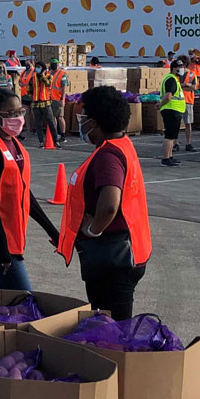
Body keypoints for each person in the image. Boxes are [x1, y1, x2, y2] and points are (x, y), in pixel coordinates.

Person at [56, 85, 151, 320]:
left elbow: (110, 204)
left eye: (84, 118)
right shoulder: (122, 145)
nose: (81, 123)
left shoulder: (108, 157)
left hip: (113, 256)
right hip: (128, 249)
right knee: (112, 322)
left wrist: (93, 229)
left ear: (95, 123)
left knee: (112, 326)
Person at [0, 88, 58, 290]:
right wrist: (2, 247)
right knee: (25, 300)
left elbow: (25, 194)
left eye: (19, 112)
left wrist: (52, 231)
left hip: (11, 238)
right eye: (10, 114)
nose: (16, 117)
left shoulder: (15, 144)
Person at [159, 60, 187, 166]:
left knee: (172, 135)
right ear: (174, 68)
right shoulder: (171, 79)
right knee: (170, 135)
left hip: (174, 110)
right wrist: (160, 104)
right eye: (180, 67)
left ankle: (169, 156)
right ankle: (166, 158)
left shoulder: (174, 79)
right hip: (171, 110)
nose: (182, 69)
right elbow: (168, 96)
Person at [30, 61, 58, 148]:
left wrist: (42, 76)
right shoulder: (33, 78)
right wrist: (33, 96)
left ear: (43, 68)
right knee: (38, 124)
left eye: (39, 67)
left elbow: (48, 84)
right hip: (36, 103)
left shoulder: (49, 76)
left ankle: (56, 141)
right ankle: (41, 142)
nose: (37, 69)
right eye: (36, 67)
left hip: (46, 103)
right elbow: (29, 90)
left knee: (51, 122)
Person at [179, 56, 199, 152]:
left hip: (188, 101)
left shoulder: (192, 74)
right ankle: (175, 143)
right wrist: (186, 85)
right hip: (177, 101)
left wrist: (183, 86)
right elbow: (175, 86)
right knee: (177, 124)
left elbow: (194, 87)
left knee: (188, 123)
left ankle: (188, 143)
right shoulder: (177, 74)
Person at [46, 58, 67, 144]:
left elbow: (64, 87)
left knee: (60, 117)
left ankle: (63, 135)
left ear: (58, 64)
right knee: (53, 117)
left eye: (55, 63)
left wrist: (62, 98)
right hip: (50, 98)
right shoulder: (49, 73)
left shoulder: (62, 74)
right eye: (52, 63)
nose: (53, 65)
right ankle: (54, 133)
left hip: (58, 98)